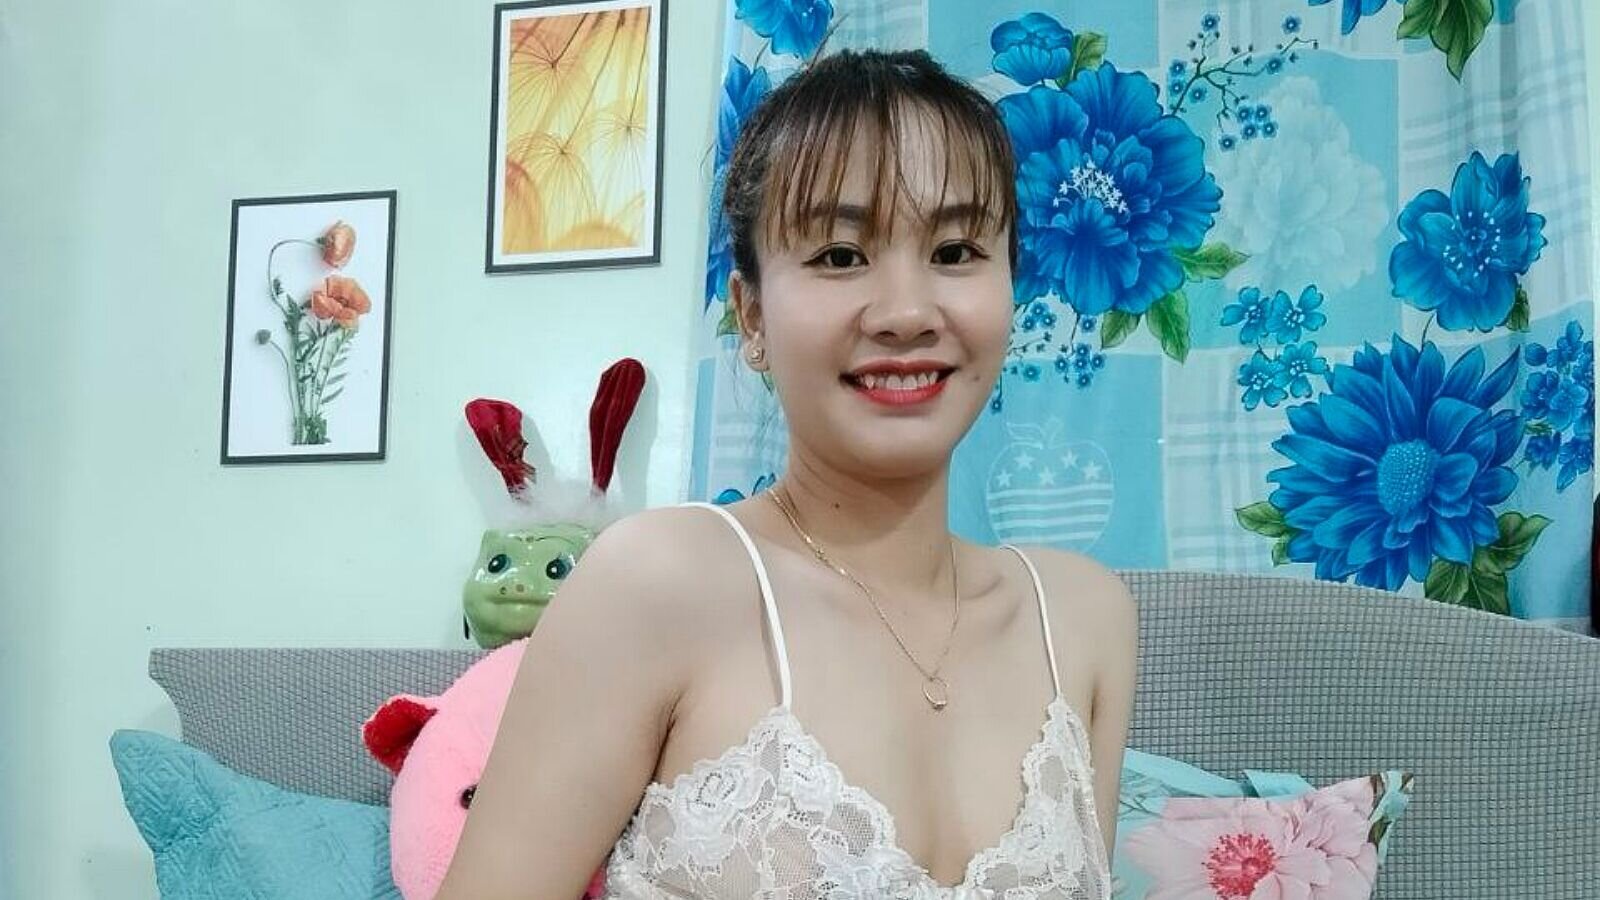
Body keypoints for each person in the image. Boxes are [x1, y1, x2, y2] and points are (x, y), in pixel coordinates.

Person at [437, 48, 1138, 899]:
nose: (908, 313)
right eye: (840, 255)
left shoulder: (1085, 619)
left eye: (956, 250)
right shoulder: (654, 584)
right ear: (752, 316)